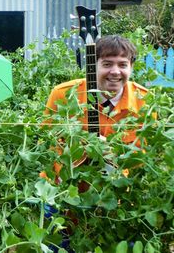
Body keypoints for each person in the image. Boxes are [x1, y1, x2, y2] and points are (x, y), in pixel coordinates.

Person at [43, 35, 149, 180]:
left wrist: (112, 153)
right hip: (64, 189)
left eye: (122, 65)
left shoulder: (144, 101)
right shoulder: (63, 94)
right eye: (107, 64)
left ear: (131, 67)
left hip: (116, 191)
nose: (115, 71)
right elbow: (47, 143)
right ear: (93, 65)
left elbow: (143, 155)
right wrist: (75, 156)